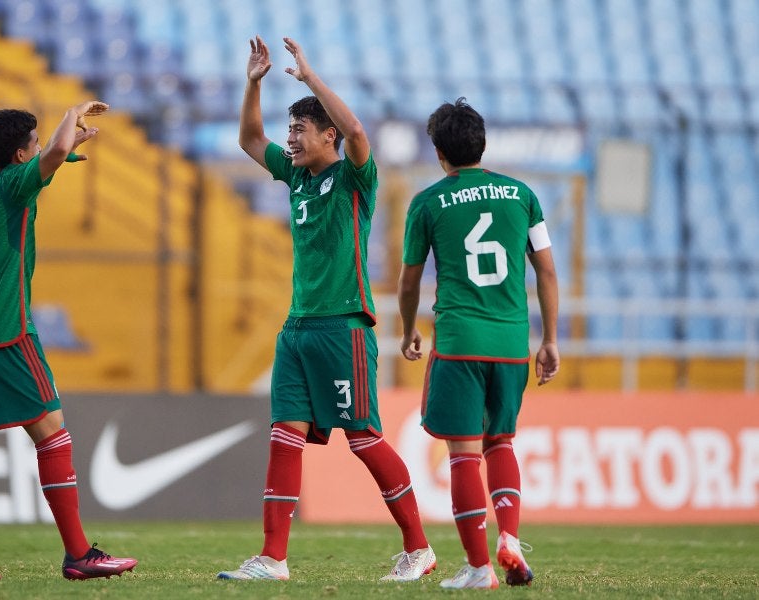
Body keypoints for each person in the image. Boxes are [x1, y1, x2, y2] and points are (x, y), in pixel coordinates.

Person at [217, 36, 435, 582]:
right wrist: (253, 82)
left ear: (327, 136)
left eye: (300, 130)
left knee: (362, 438)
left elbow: (359, 133)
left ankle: (419, 548)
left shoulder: (354, 179)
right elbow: (248, 137)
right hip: (297, 329)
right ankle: (272, 558)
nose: (289, 139)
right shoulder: (295, 176)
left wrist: (311, 79)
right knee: (284, 436)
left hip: (344, 327)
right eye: (289, 130)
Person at [0, 102, 138, 581]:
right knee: (53, 433)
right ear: (23, 153)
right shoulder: (14, 186)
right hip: (8, 331)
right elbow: (53, 150)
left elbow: (42, 160)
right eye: (36, 141)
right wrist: (72, 113)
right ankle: (79, 554)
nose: (44, 144)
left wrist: (59, 155)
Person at [397, 98, 560, 590]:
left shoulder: (427, 202)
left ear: (440, 152)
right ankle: (509, 536)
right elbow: (547, 270)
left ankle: (478, 568)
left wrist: (408, 330)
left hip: (460, 341)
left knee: (464, 453)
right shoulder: (523, 195)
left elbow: (409, 282)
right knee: (502, 442)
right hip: (512, 343)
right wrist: (549, 339)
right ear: (481, 143)